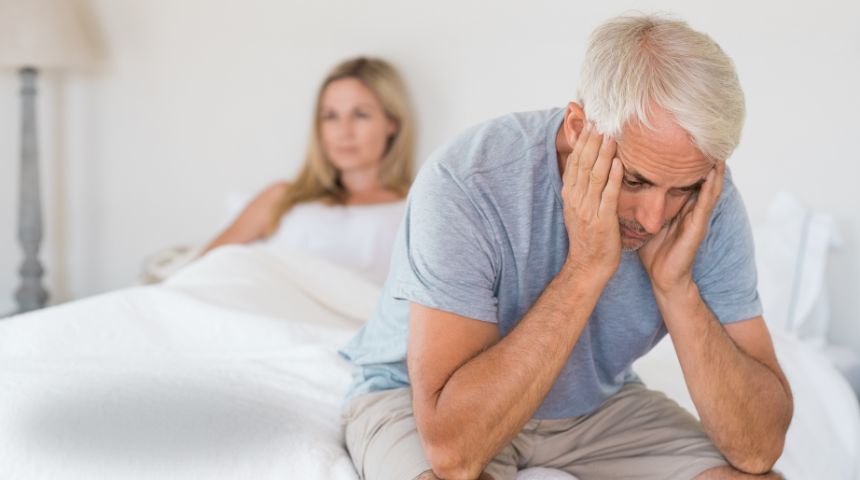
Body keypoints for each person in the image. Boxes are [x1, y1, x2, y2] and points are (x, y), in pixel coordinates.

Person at [339, 14, 792, 480]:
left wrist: (677, 289)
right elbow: (454, 452)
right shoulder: (467, 181)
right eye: (634, 180)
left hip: (593, 408)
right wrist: (586, 268)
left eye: (681, 189)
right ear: (578, 127)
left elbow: (758, 450)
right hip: (419, 399)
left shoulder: (707, 200)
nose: (655, 218)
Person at [200, 57, 414, 284]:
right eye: (331, 116)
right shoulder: (282, 197)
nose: (344, 131)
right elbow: (201, 269)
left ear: (393, 123)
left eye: (361, 115)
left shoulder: (413, 209)